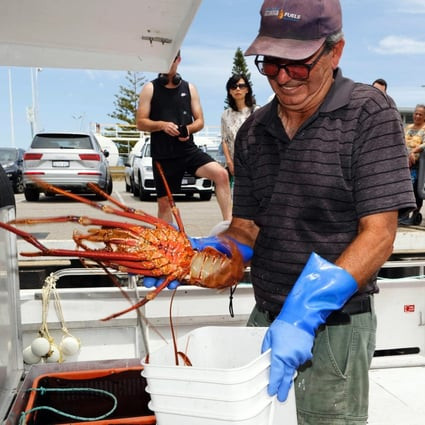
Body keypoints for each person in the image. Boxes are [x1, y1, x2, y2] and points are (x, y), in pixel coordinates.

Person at [142, 1, 415, 423]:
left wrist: (305, 311)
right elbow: (247, 228)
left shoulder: (368, 113)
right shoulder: (254, 130)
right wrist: (199, 257)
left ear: (335, 52)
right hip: (265, 317)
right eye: (270, 64)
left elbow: (379, 234)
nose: (282, 77)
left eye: (298, 65)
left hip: (336, 326)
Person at [136, 51, 232, 223]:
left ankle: (229, 226)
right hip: (163, 156)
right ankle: (167, 245)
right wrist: (161, 125)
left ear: (178, 60)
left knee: (221, 175)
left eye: (172, 60)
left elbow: (200, 121)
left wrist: (187, 130)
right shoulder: (149, 88)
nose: (168, 64)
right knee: (164, 204)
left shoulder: (190, 88)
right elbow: (140, 122)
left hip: (188, 151)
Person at [221, 74, 259, 186]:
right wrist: (229, 162)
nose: (237, 89)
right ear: (229, 91)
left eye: (241, 86)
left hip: (255, 161)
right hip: (236, 163)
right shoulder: (225, 115)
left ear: (247, 89)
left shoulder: (257, 111)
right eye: (233, 86)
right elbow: (224, 139)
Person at [402, 104, 425, 223]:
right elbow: (401, 141)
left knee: (415, 190)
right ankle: (403, 215)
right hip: (404, 164)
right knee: (403, 189)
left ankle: (415, 215)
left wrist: (413, 151)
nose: (417, 116)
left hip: (418, 165)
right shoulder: (408, 128)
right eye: (416, 113)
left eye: (420, 114)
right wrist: (407, 153)